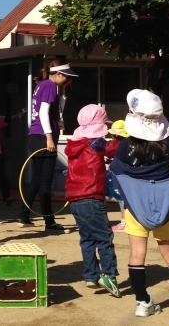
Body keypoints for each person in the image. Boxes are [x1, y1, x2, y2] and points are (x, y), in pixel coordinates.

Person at [110, 90, 169, 318]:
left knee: (137, 254)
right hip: (165, 206)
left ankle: (142, 302)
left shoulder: (125, 146)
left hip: (135, 209)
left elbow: (117, 171)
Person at [65, 104, 121, 297]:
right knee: (104, 237)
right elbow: (115, 149)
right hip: (91, 196)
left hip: (74, 198)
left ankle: (91, 275)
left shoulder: (75, 144)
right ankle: (109, 274)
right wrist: (121, 137)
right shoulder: (97, 143)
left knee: (87, 238)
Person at [18, 61, 77, 232]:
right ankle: (49, 222)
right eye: (67, 77)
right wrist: (49, 138)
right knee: (45, 181)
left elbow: (57, 109)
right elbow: (44, 112)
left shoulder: (43, 85)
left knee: (37, 179)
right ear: (58, 74)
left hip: (35, 136)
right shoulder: (49, 86)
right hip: (43, 137)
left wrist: (63, 90)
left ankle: (24, 216)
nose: (68, 80)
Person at [108, 120, 129, 232]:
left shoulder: (117, 145)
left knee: (123, 200)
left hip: (121, 176)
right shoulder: (129, 144)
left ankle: (124, 222)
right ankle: (127, 221)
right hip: (128, 176)